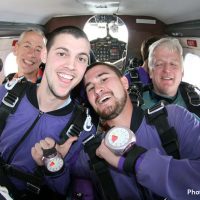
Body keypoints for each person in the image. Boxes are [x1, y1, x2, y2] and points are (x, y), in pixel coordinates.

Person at [34, 61, 200, 200]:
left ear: (124, 83)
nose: (97, 90)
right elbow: (63, 188)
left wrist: (135, 162)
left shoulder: (173, 119)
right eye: (90, 88)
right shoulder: (92, 151)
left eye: (104, 79)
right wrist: (53, 161)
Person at [0, 26, 94, 199]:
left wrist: (54, 164)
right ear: (44, 55)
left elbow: (63, 189)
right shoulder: (7, 94)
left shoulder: (82, 129)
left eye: (81, 58)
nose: (71, 66)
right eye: (61, 53)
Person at [141, 37, 200, 118]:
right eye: (159, 64)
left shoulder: (194, 101)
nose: (167, 70)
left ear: (182, 72)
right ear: (151, 72)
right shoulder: (135, 105)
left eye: (173, 64)